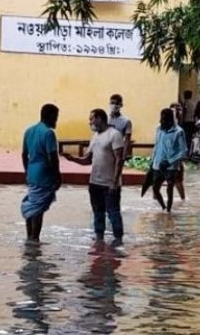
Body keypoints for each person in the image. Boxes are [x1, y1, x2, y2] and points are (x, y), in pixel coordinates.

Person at [63, 109, 125, 241]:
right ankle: (99, 240)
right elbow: (88, 160)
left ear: (100, 119)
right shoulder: (95, 137)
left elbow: (119, 160)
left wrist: (114, 182)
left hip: (110, 184)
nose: (89, 122)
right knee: (97, 213)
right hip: (95, 182)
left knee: (113, 213)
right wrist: (73, 159)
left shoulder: (114, 135)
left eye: (91, 119)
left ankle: (118, 242)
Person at [21, 104, 62, 242]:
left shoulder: (29, 131)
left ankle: (29, 237)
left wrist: (27, 171)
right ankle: (35, 238)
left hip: (32, 174)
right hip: (44, 175)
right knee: (38, 210)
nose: (56, 121)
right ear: (50, 116)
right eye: (56, 117)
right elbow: (53, 158)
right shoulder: (48, 133)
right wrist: (57, 176)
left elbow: (24, 154)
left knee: (32, 205)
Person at [151, 108, 188, 213]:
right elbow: (157, 145)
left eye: (164, 119)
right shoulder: (159, 129)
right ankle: (163, 207)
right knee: (155, 188)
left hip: (171, 166)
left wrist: (170, 161)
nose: (162, 121)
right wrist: (152, 161)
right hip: (158, 164)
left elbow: (183, 151)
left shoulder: (179, 132)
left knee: (170, 188)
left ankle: (168, 210)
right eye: (161, 119)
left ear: (170, 119)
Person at [108, 94, 132, 160]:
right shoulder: (105, 119)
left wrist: (124, 155)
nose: (114, 106)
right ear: (109, 104)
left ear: (121, 105)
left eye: (117, 103)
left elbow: (127, 140)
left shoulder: (126, 121)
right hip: (105, 151)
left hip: (117, 151)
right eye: (112, 103)